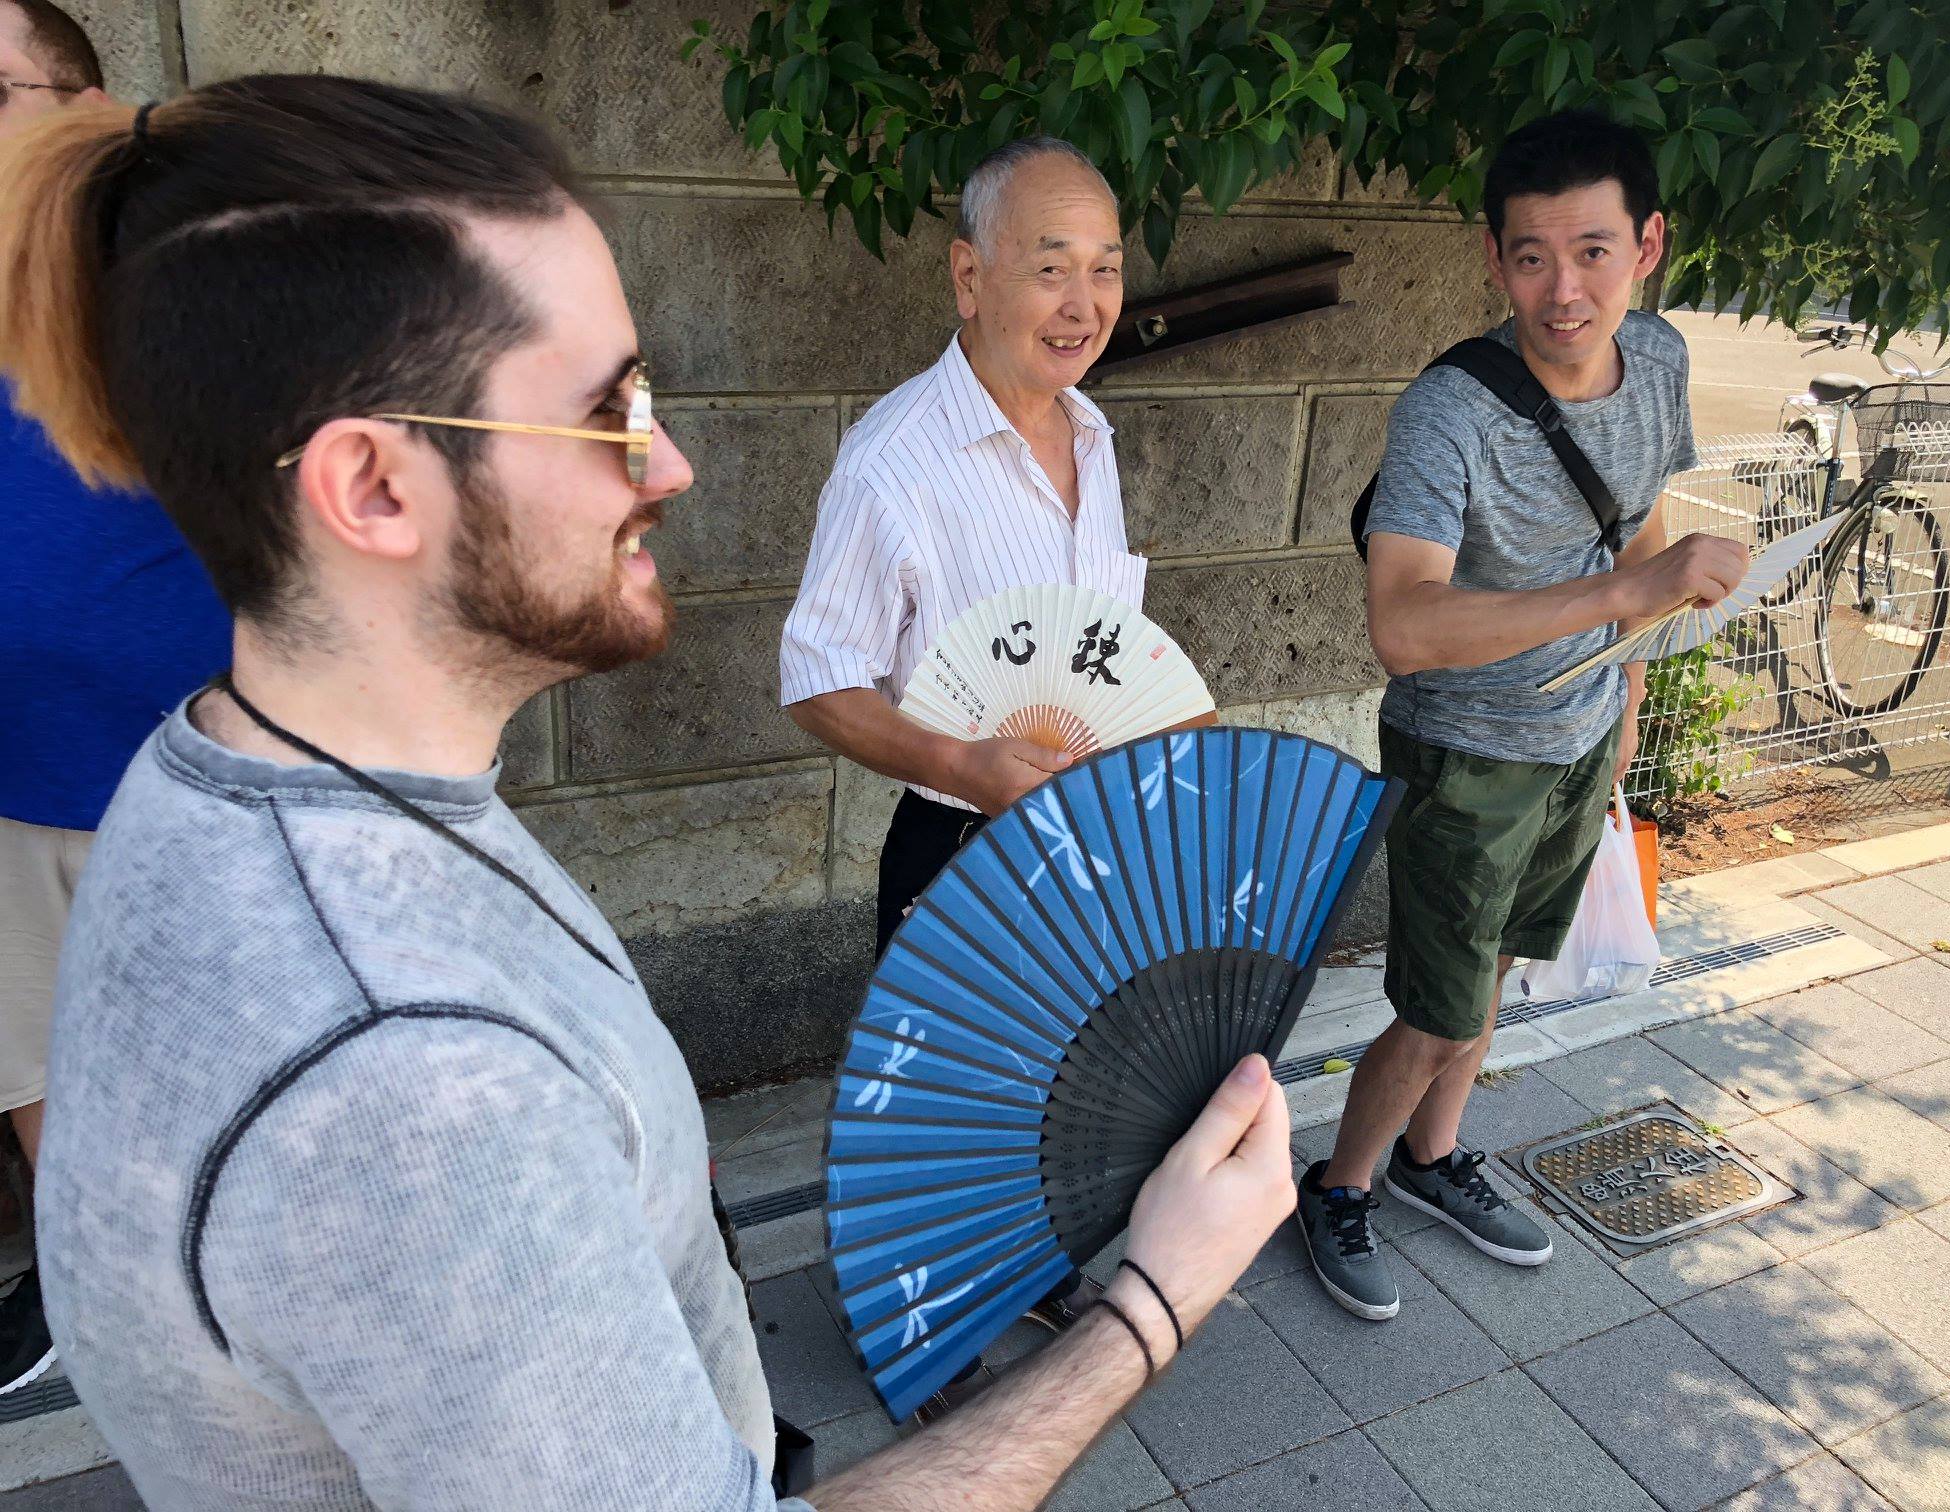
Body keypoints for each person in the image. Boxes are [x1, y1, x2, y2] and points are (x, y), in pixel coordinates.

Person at [0, 75, 1293, 1510]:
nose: (669, 461)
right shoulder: (409, 1092)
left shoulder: (250, 788)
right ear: (372, 490)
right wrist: (1151, 1304)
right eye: (603, 411)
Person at [1297, 110, 1748, 1321]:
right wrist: (1622, 596)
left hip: (1582, 727)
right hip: (1465, 753)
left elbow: (1640, 515)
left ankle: (1433, 1160)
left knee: (1496, 970)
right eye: (1535, 257)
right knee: (1437, 1002)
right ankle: (1339, 1184)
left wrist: (1633, 691)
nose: (1566, 290)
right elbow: (1403, 623)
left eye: (1594, 251)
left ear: (1648, 244)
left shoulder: (1657, 361)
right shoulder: (1449, 412)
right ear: (1495, 261)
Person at [779, 136, 1141, 1418]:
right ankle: (911, 1331)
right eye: (1052, 267)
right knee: (926, 1108)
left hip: (1079, 840)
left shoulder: (1093, 437)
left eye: (1104, 267)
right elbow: (819, 675)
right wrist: (968, 766)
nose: (1084, 301)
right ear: (968, 276)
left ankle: (1019, 1264)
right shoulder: (897, 459)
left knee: (1046, 1077)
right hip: (955, 840)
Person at [0, 0, 232, 1395]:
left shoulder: (173, 278)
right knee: (32, 1056)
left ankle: (229, 1319)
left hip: (181, 768)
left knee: (223, 1065)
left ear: (83, 107)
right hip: (10, 775)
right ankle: (91, 1291)